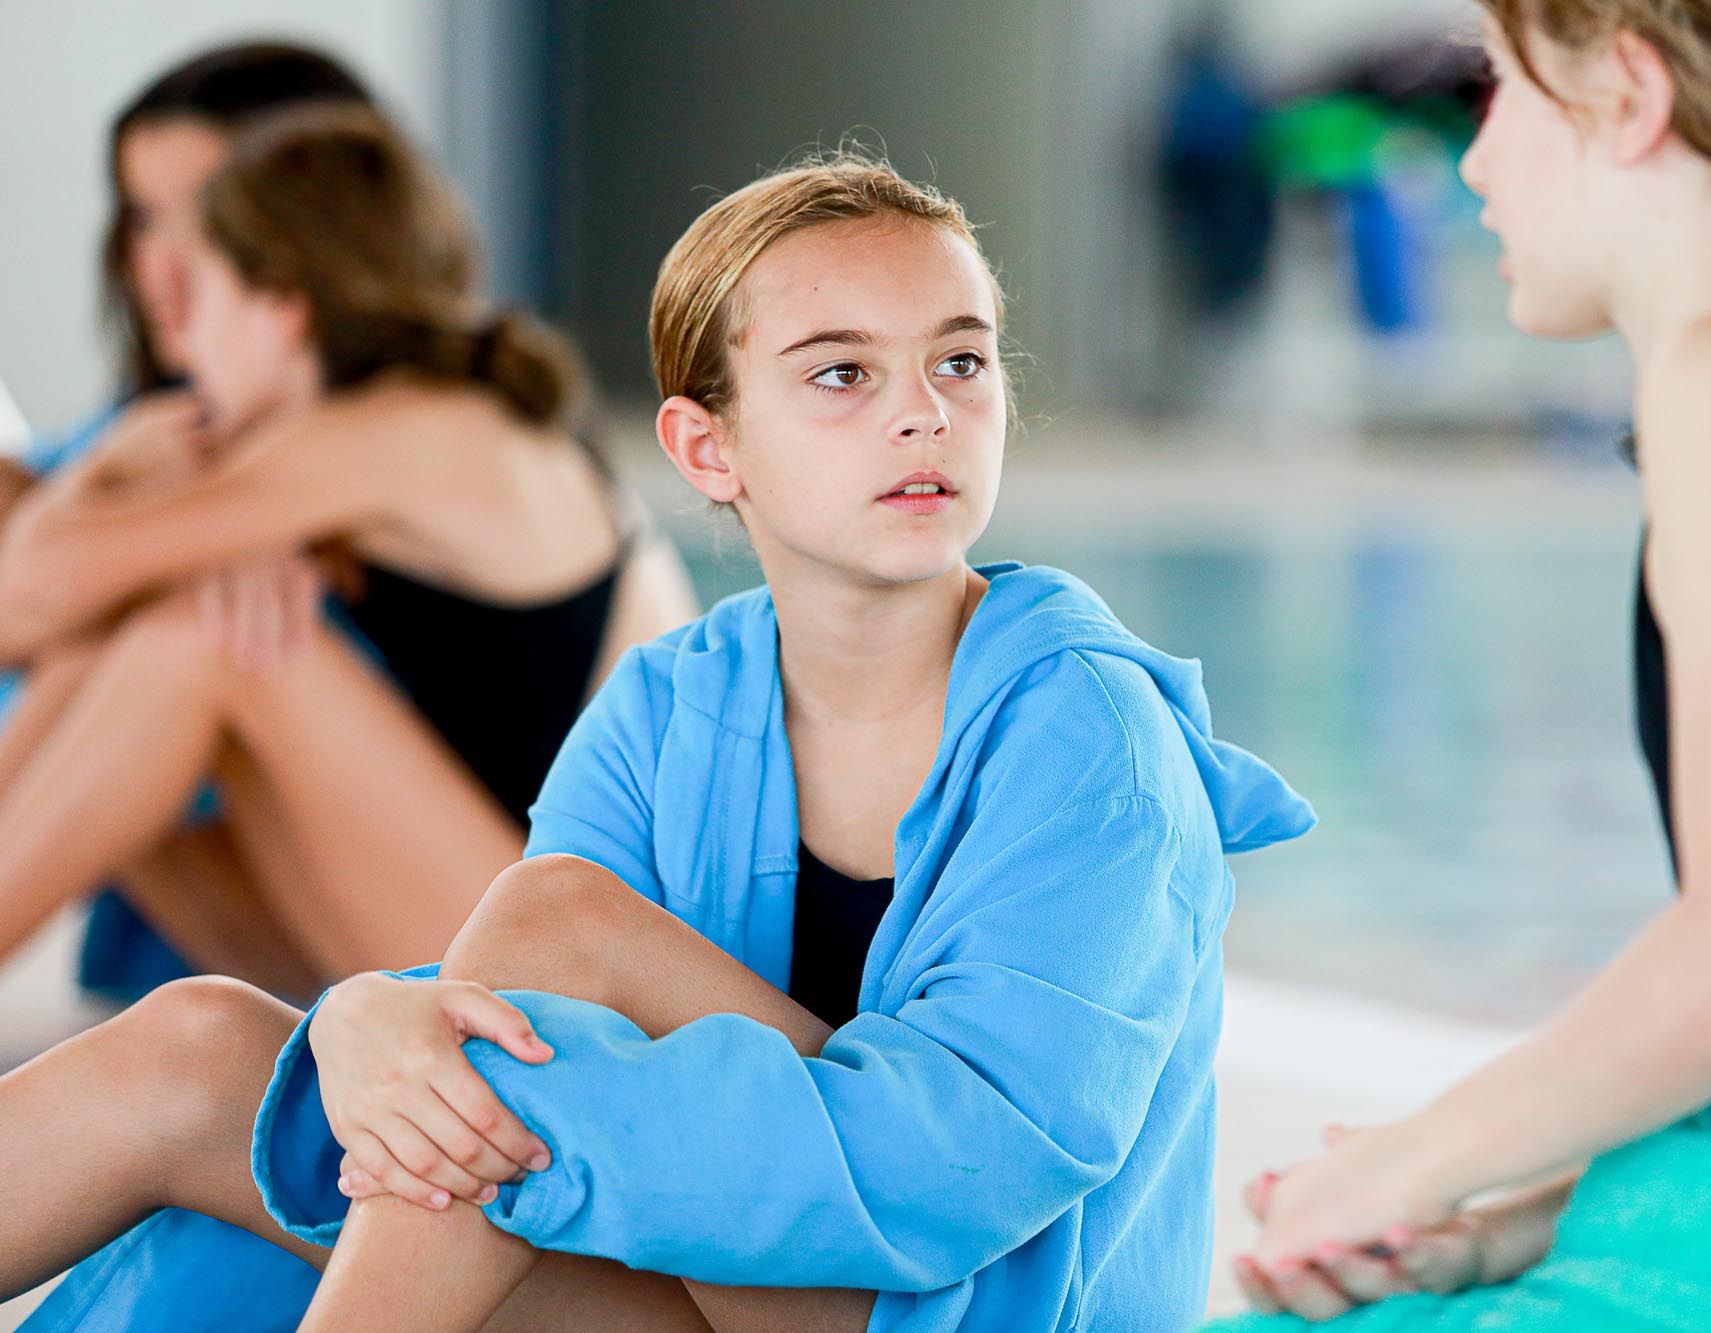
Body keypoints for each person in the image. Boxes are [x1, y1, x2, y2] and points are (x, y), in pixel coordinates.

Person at [1, 155, 1314, 1332]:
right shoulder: (666, 703)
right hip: (686, 1259)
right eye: (842, 373)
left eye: (959, 361)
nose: (922, 413)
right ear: (707, 445)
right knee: (200, 1050)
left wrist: (510, 1098)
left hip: (946, 1305)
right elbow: (495, 1018)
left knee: (553, 932)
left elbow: (963, 1170)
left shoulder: (1094, 744)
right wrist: (370, 1025)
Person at [1221, 1, 1711, 1326]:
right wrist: (1488, 1233)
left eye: (1500, 93)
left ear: (1630, 97)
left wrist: (1407, 1162)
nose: (1472, 162)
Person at [0, 102, 694, 999]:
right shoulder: (374, 438)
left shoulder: (400, 430)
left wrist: (101, 471)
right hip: (500, 928)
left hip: (586, 973)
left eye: (199, 299)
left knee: (207, 644)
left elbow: (31, 583)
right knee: (144, 649)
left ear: (283, 306)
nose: (185, 345)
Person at [0, 41, 378, 998]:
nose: (164, 267)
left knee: (167, 625)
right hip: (176, 984)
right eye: (140, 220)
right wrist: (97, 495)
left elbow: (33, 592)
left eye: (211, 221)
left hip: (380, 956)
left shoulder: (400, 432)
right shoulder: (163, 424)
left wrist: (127, 537)